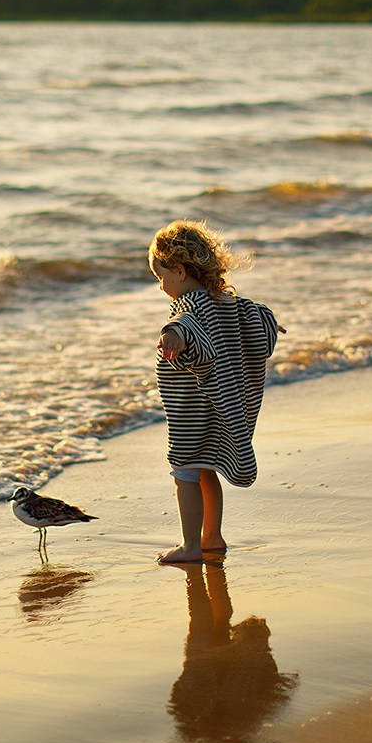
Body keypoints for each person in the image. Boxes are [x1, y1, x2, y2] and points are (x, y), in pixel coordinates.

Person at [149, 220, 282, 564]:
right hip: (221, 403)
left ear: (179, 271)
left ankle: (190, 546)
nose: (161, 285)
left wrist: (172, 335)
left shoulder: (189, 304)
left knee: (185, 471)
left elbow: (186, 323)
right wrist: (270, 323)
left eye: (160, 276)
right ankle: (212, 536)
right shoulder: (226, 301)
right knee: (207, 469)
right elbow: (257, 318)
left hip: (194, 408)